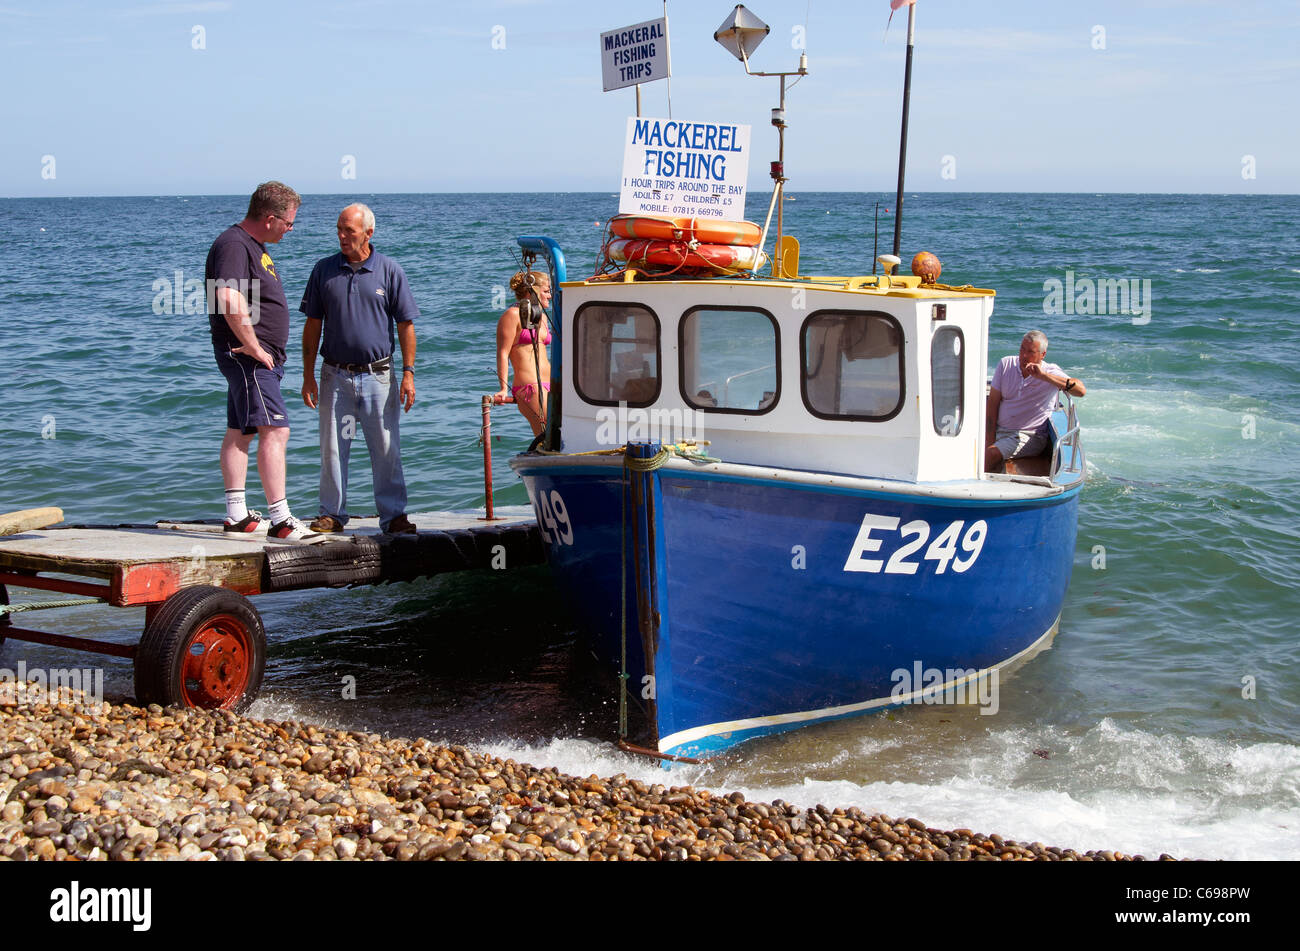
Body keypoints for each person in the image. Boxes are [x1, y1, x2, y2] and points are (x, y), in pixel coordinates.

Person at [207, 181, 322, 543]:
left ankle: (237, 516)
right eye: (289, 223)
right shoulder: (233, 244)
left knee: (241, 430)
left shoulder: (251, 246)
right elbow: (227, 296)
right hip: (249, 358)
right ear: (270, 218)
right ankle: (282, 520)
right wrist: (254, 346)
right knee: (277, 429)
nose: (291, 229)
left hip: (252, 357)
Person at [300, 204, 419, 535]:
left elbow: (406, 325)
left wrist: (408, 373)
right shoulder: (324, 271)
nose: (341, 236)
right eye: (339, 229)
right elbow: (312, 326)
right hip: (334, 375)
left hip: (378, 375)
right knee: (333, 447)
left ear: (368, 233)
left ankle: (393, 515)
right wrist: (307, 374)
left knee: (385, 447)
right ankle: (331, 514)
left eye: (348, 230)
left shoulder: (389, 271)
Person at [985, 330, 1087, 473]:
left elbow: (1081, 390)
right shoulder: (1006, 364)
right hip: (999, 429)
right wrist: (989, 440)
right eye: (1022, 349)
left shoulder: (1050, 371)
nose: (1024, 356)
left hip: (1029, 435)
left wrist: (1044, 376)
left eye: (1031, 352)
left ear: (1042, 354)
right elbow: (992, 404)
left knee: (990, 454)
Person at [493, 270, 552, 437]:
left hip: (550, 385)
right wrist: (503, 388)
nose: (549, 296)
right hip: (529, 387)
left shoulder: (543, 317)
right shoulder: (512, 315)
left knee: (561, 435)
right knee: (547, 436)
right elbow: (502, 353)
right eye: (546, 291)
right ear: (531, 290)